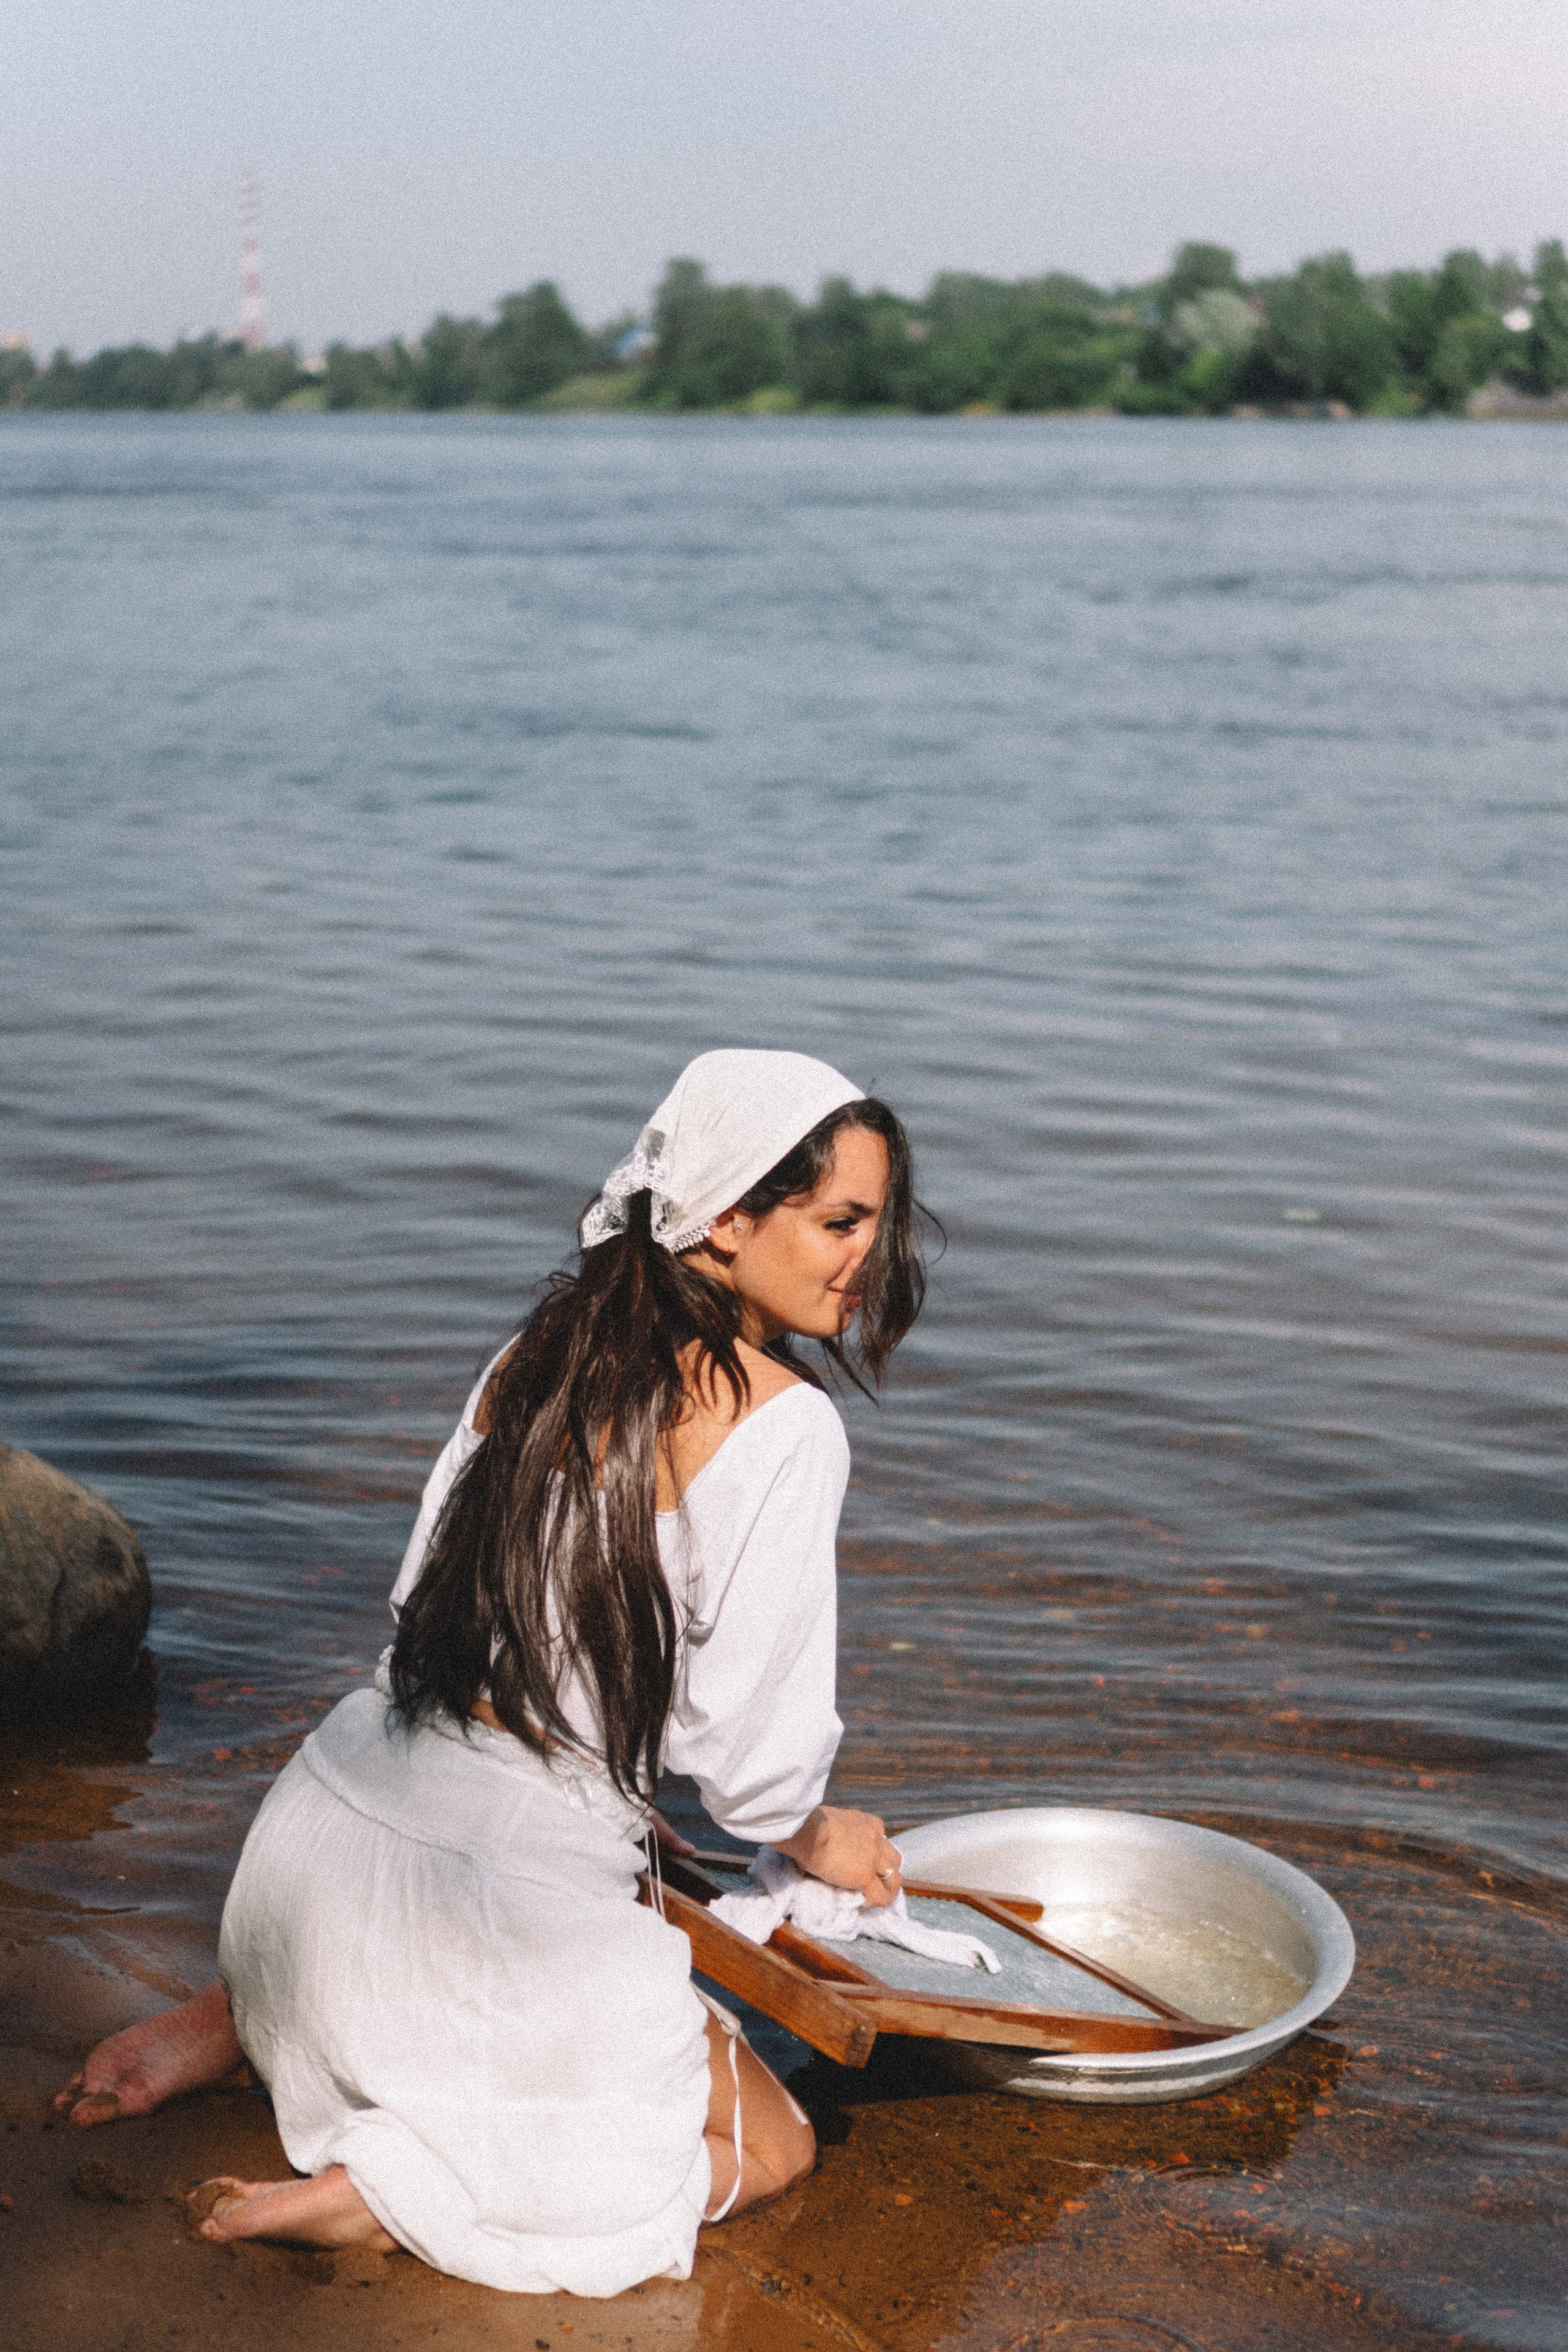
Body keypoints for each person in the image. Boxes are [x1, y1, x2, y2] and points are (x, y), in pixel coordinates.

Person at [55, 1049, 926, 2297]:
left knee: (511, 1943)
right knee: (768, 2146)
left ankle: (241, 2017)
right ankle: (383, 2195)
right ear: (728, 1218)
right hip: (484, 1901)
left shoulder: (545, 1343)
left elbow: (418, 1609)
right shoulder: (785, 1425)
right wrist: (821, 1831)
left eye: (875, 1224)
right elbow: (746, 1767)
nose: (865, 1257)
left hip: (318, 1840)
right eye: (838, 1221)